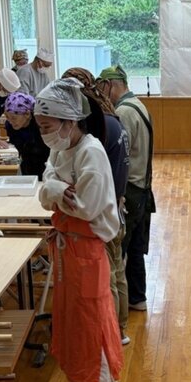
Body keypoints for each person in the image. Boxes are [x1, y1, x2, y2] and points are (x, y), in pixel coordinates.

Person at [36, 78, 124, 382]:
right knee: (87, 330)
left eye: (46, 126)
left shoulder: (91, 153)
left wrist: (55, 188)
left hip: (86, 253)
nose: (44, 134)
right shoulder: (62, 151)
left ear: (69, 121)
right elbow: (44, 190)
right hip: (69, 252)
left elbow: (86, 207)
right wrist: (57, 188)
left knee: (88, 337)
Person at [63, 67, 131, 345]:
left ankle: (112, 332)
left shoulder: (97, 129)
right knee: (118, 271)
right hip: (117, 205)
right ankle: (121, 328)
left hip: (104, 212)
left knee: (108, 278)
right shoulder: (113, 120)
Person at [98, 65, 155, 312]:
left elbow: (122, 156)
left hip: (129, 190)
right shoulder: (139, 106)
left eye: (102, 88)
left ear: (110, 84)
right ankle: (137, 297)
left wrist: (116, 195)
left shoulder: (123, 112)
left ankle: (116, 309)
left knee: (120, 250)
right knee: (135, 248)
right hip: (143, 187)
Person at [3, 92, 49, 179]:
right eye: (7, 117)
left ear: (27, 114)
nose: (10, 121)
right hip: (27, 164)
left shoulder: (40, 124)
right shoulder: (10, 126)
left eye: (13, 118)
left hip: (46, 163)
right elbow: (20, 150)